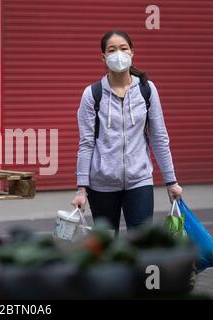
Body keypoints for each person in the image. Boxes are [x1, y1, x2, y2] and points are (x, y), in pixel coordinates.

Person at [71, 30, 183, 234]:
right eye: (111, 50)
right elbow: (86, 143)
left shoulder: (147, 90)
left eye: (123, 48)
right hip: (102, 184)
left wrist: (171, 181)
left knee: (141, 244)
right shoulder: (92, 94)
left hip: (139, 181)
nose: (118, 54)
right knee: (106, 244)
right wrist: (81, 189)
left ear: (132, 53)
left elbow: (159, 138)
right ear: (103, 57)